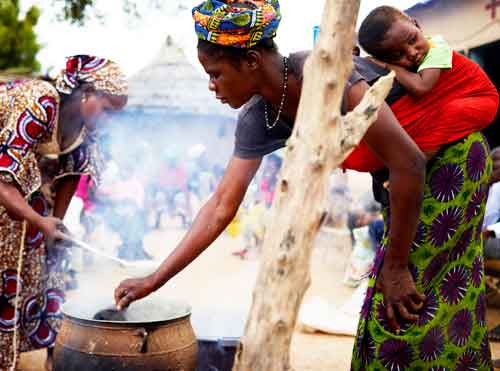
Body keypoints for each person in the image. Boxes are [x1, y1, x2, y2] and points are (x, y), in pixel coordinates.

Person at [114, 1, 498, 369]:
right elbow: (220, 207)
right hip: (406, 178)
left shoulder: (326, 73)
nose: (212, 86)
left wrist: (396, 267)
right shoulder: (259, 117)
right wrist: (153, 279)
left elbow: (409, 162)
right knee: (402, 304)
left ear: (250, 61)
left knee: (412, 299)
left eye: (216, 73)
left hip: (449, 159)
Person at [0, 55, 127, 370]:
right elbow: (2, 179)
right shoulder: (38, 103)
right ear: (87, 95)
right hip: (7, 184)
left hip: (28, 193)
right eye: (108, 110)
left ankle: (41, 357)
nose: (110, 121)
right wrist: (39, 220)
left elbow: (70, 174)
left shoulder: (88, 129)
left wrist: (52, 225)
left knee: (47, 268)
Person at [358, 6, 452, 98]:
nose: (412, 53)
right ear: (386, 59)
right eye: (398, 55)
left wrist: (390, 67)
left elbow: (421, 87)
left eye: (413, 40)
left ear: (417, 25)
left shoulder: (436, 47)